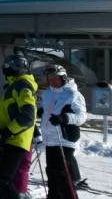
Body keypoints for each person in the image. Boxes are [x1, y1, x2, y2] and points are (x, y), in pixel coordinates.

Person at [0, 54, 38, 199]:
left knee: (3, 180)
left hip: (14, 140)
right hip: (2, 138)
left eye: (8, 67)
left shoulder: (22, 86)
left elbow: (27, 115)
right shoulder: (12, 85)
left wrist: (8, 131)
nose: (5, 70)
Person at [38, 65, 87, 199]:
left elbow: (82, 117)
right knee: (52, 173)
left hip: (65, 139)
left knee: (62, 174)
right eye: (50, 78)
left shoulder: (73, 94)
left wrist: (64, 118)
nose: (53, 81)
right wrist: (39, 111)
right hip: (50, 139)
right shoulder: (47, 93)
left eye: (56, 78)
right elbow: (44, 108)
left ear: (63, 78)